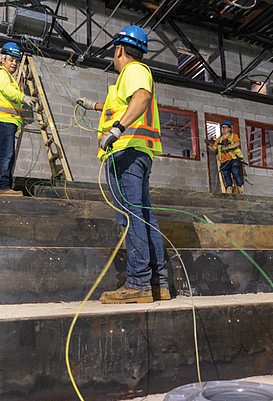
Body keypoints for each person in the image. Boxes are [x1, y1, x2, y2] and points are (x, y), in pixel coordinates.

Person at [77, 25, 170, 304]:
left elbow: (141, 97)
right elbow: (120, 103)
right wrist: (92, 104)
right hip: (136, 152)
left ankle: (139, 283)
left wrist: (116, 130)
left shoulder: (134, 71)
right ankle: (158, 284)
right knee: (143, 217)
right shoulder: (128, 79)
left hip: (126, 153)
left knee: (131, 217)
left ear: (119, 49)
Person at [0, 42, 38, 194]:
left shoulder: (10, 78)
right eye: (11, 60)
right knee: (6, 154)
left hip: (7, 121)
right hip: (2, 120)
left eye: (17, 61)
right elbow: (7, 91)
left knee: (8, 154)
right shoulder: (0, 73)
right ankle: (3, 187)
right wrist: (24, 97)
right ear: (3, 59)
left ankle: (6, 185)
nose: (14, 63)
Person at [210, 120, 245, 194]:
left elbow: (237, 144)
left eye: (225, 127)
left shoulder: (233, 136)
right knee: (227, 178)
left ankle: (241, 192)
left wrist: (228, 147)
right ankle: (229, 192)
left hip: (233, 160)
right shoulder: (219, 139)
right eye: (222, 127)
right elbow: (214, 148)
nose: (223, 129)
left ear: (229, 129)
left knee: (237, 175)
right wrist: (208, 144)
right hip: (224, 162)